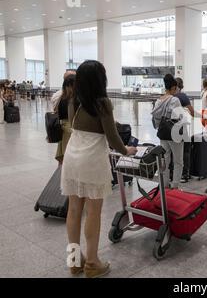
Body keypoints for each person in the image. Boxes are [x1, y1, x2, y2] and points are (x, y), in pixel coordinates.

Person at [61, 60, 137, 278]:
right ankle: (93, 262)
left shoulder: (74, 101)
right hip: (92, 160)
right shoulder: (103, 103)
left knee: (74, 211)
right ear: (100, 79)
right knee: (93, 212)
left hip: (72, 157)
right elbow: (112, 138)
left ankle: (75, 261)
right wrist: (127, 151)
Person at [152, 74, 186, 189]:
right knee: (178, 161)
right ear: (173, 88)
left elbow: (156, 119)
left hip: (163, 134)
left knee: (165, 160)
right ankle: (175, 185)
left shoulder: (158, 100)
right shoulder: (175, 100)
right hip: (174, 134)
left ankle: (164, 185)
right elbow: (180, 116)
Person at [55, 74, 76, 164]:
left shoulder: (61, 97)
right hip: (69, 128)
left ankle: (62, 173)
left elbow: (56, 110)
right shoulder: (71, 99)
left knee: (63, 153)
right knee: (68, 154)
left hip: (63, 127)